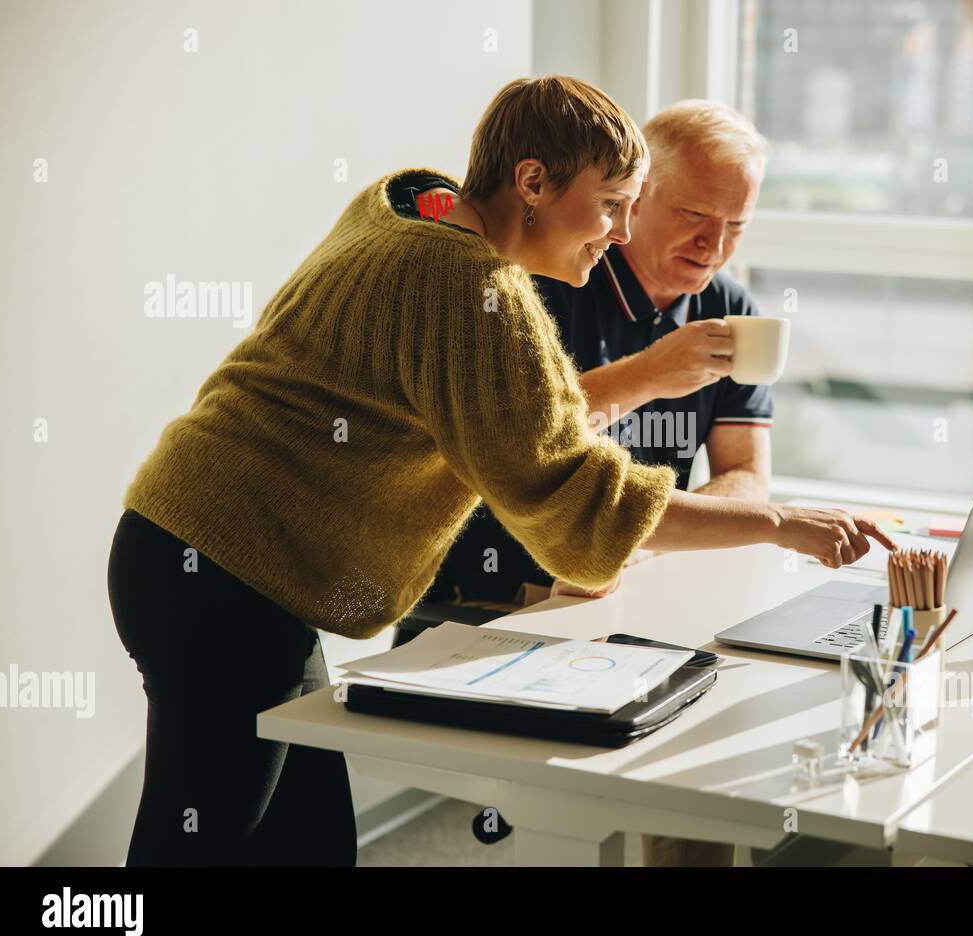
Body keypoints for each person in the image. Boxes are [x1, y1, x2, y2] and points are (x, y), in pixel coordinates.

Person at [107, 75, 893, 866]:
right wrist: (783, 521)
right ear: (532, 182)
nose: (620, 232)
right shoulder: (474, 287)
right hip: (217, 571)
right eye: (614, 203)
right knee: (202, 842)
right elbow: (580, 502)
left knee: (307, 843)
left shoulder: (417, 212)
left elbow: (526, 428)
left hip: (206, 556)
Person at [407, 100, 774, 622]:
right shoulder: (546, 274)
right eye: (693, 215)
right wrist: (647, 374)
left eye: (736, 225)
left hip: (617, 599)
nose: (713, 246)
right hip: (481, 603)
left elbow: (746, 474)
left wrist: (632, 547)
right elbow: (511, 440)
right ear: (637, 195)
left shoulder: (731, 309)